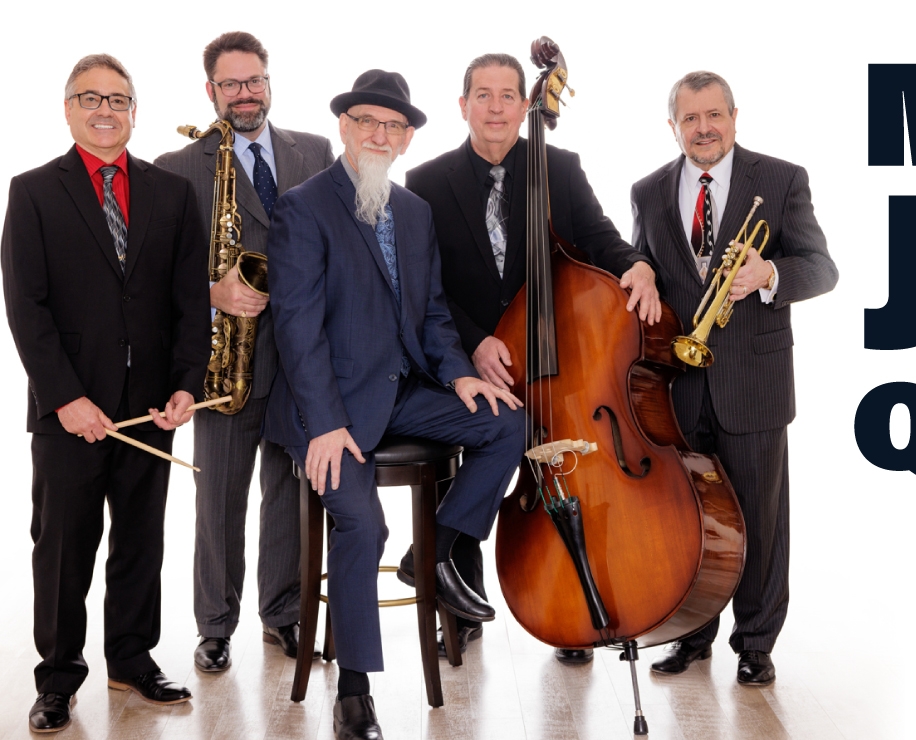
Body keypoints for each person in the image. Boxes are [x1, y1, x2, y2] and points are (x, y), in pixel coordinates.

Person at [263, 69, 524, 740]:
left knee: (509, 423)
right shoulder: (303, 206)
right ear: (344, 126)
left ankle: (438, 547)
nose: (380, 134)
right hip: (327, 411)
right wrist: (324, 425)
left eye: (394, 126)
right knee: (363, 527)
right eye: (367, 122)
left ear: (407, 140)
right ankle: (354, 693)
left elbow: (434, 312)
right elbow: (297, 329)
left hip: (401, 391)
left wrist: (461, 375)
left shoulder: (413, 212)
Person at [404, 52, 661, 664]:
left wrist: (638, 265)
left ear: (526, 105)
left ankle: (573, 602)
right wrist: (470, 342)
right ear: (462, 106)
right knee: (471, 451)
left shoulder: (560, 169)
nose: (496, 107)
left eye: (508, 95)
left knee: (568, 469)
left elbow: (599, 237)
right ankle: (457, 611)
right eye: (483, 95)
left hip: (550, 355)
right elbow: (423, 285)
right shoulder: (427, 182)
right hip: (465, 354)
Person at [1, 54, 211, 732]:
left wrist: (185, 386)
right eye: (90, 98)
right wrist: (65, 398)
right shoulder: (33, 191)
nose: (105, 109)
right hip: (70, 411)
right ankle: (58, 678)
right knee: (62, 547)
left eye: (118, 99)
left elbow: (188, 303)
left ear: (133, 110)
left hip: (150, 408)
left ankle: (131, 657)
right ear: (68, 109)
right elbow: (25, 308)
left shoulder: (171, 195)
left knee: (140, 543)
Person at [630, 71, 838, 686]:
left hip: (754, 383)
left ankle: (756, 643)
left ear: (735, 116)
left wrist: (769, 274)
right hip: (679, 387)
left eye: (714, 115)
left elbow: (822, 268)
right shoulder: (647, 191)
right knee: (688, 520)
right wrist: (638, 266)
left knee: (760, 522)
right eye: (691, 118)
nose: (704, 128)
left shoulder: (780, 179)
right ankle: (692, 634)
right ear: (674, 126)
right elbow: (648, 261)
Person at [154, 30, 335, 673]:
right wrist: (212, 291)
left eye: (253, 80)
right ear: (211, 91)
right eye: (230, 84)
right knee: (220, 499)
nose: (244, 93)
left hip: (300, 362)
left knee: (289, 494)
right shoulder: (177, 167)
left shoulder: (314, 150)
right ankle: (215, 625)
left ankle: (282, 615)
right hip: (221, 362)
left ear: (269, 80)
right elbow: (155, 272)